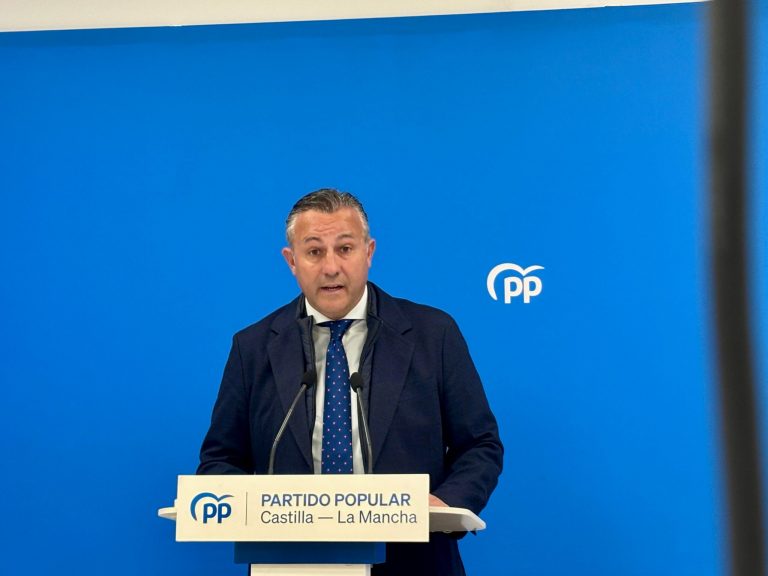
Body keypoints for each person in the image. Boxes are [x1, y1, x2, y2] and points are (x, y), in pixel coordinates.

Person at [198, 188, 503, 575]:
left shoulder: (433, 334)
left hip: (413, 559)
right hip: (291, 562)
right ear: (291, 261)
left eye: (345, 249)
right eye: (314, 251)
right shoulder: (253, 347)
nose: (331, 267)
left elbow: (479, 445)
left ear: (368, 252)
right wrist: (248, 504)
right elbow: (220, 461)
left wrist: (444, 505)